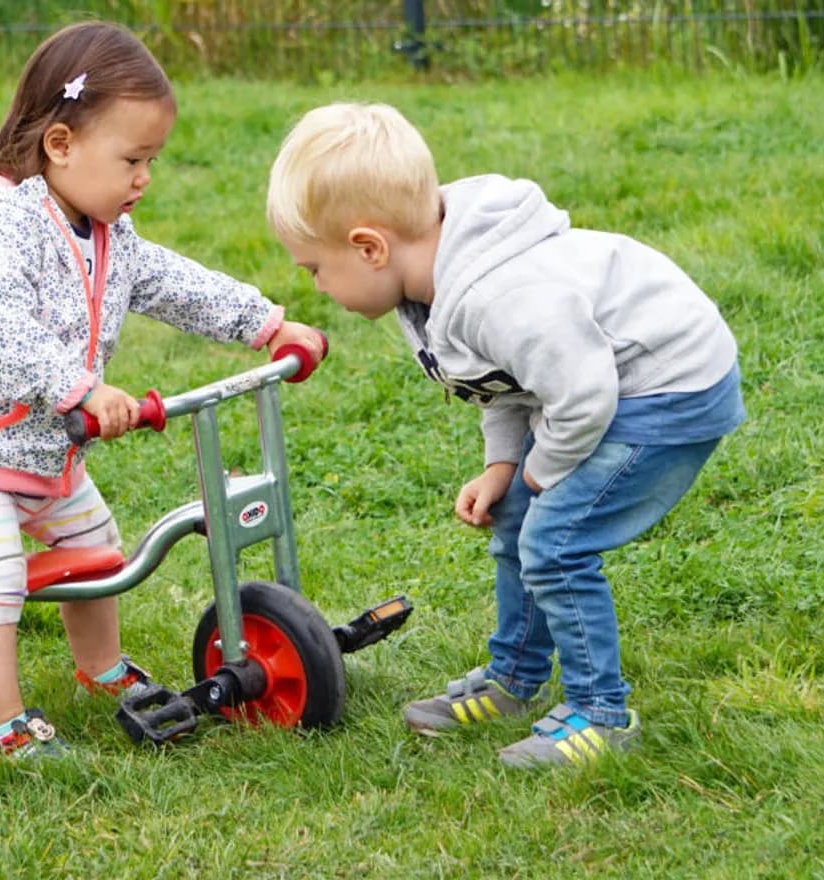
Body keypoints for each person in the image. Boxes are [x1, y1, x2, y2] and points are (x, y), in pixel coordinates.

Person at [265, 103, 743, 769]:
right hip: (605, 385)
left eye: (314, 268)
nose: (316, 284)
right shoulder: (430, 281)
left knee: (554, 539)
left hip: (668, 388)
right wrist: (503, 467)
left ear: (369, 247)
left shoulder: (496, 294)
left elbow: (582, 394)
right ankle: (514, 680)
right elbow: (505, 380)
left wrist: (540, 472)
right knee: (515, 511)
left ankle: (601, 714)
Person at [0, 21, 325, 759]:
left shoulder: (104, 230)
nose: (143, 178)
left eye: (150, 159)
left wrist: (266, 323)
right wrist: (78, 388)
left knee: (98, 552)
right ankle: (7, 725)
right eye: (131, 158)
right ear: (60, 145)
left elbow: (172, 282)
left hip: (46, 460)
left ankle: (99, 668)